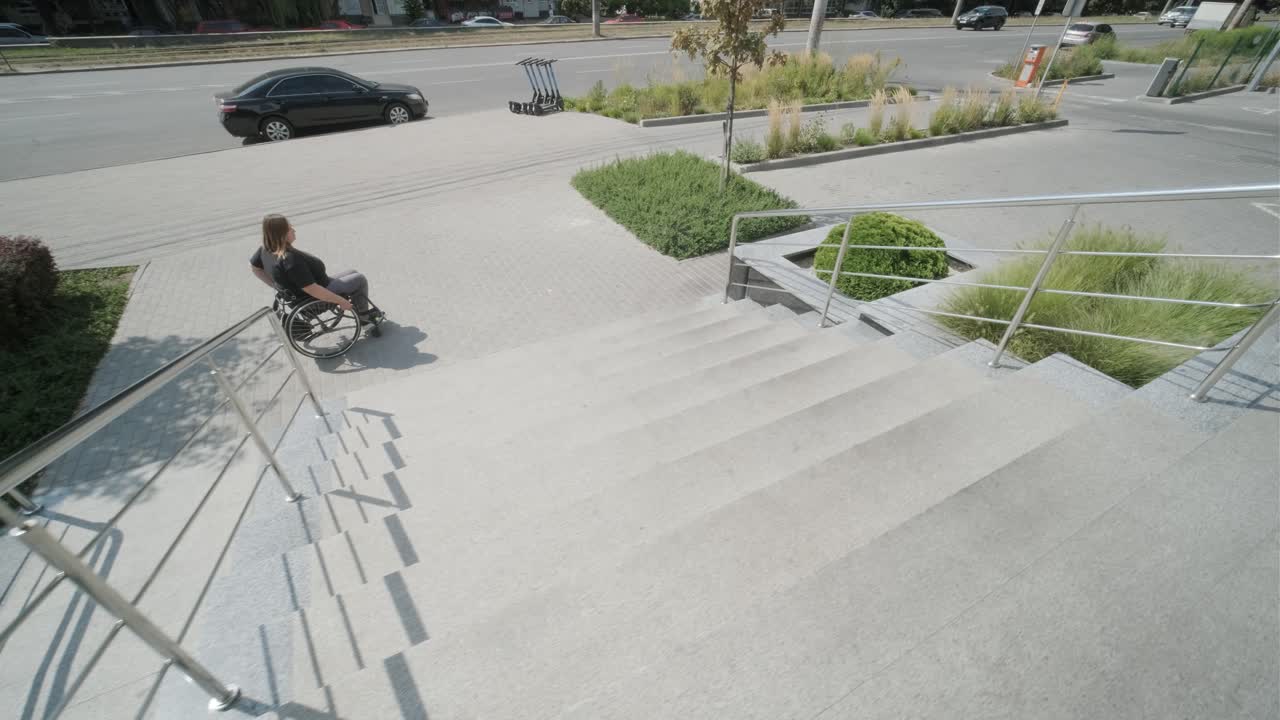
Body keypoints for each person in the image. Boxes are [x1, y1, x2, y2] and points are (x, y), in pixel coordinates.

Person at [249, 214, 378, 322]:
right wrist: (341, 301)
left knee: (352, 272)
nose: (294, 230)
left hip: (308, 290)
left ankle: (359, 308)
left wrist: (275, 285)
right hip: (314, 297)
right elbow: (312, 289)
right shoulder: (290, 260)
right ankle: (365, 319)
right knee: (359, 279)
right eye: (290, 229)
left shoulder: (265, 249)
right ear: (281, 235)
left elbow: (255, 268)